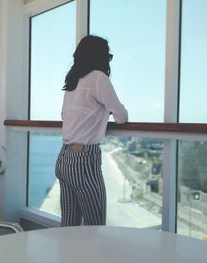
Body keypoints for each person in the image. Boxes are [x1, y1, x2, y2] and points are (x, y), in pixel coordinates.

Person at [55, 35, 128, 226]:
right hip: (84, 161)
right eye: (108, 57)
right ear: (100, 58)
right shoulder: (98, 77)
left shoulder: (72, 81)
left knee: (68, 227)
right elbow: (121, 117)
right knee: (95, 228)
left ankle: (68, 256)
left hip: (64, 158)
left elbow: (65, 116)